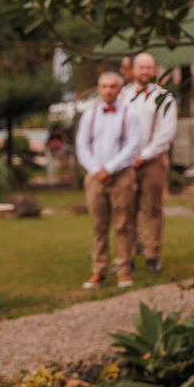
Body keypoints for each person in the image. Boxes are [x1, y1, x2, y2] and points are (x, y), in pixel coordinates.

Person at [75, 72, 141, 288]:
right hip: (95, 177)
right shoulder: (89, 114)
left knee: (123, 224)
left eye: (112, 86)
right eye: (104, 86)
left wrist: (110, 168)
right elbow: (82, 145)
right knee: (99, 226)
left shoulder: (130, 114)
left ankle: (123, 269)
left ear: (120, 89)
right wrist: (96, 169)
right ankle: (98, 270)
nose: (108, 90)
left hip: (120, 175)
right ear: (98, 88)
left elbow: (132, 145)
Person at [120, 53, 177, 274]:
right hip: (125, 162)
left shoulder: (164, 97)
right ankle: (128, 254)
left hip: (152, 160)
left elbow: (166, 132)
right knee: (126, 208)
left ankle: (153, 254)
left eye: (149, 68)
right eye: (140, 67)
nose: (144, 71)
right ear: (133, 70)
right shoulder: (122, 95)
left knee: (152, 207)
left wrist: (144, 155)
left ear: (154, 71)